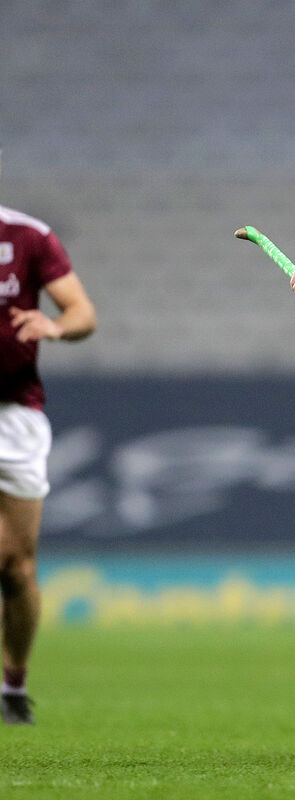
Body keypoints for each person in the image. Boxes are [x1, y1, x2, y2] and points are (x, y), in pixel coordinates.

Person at [0, 174, 98, 725]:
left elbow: (83, 314)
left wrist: (54, 327)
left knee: (15, 566)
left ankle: (13, 685)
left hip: (14, 414)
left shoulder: (28, 236)